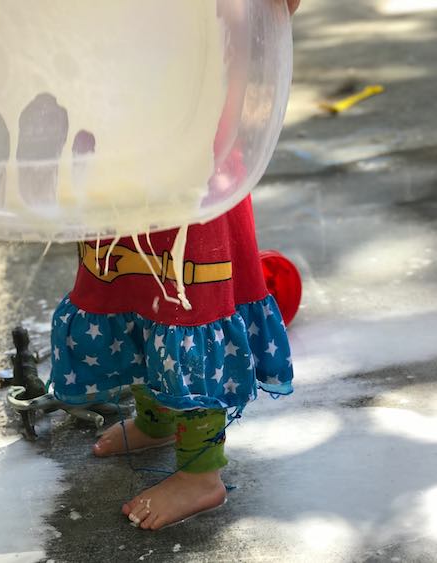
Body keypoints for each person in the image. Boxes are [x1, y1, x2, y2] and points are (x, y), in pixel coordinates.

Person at [48, 0, 301, 531]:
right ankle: (158, 417)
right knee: (136, 297)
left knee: (188, 313)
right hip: (121, 164)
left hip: (192, 173)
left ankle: (200, 474)